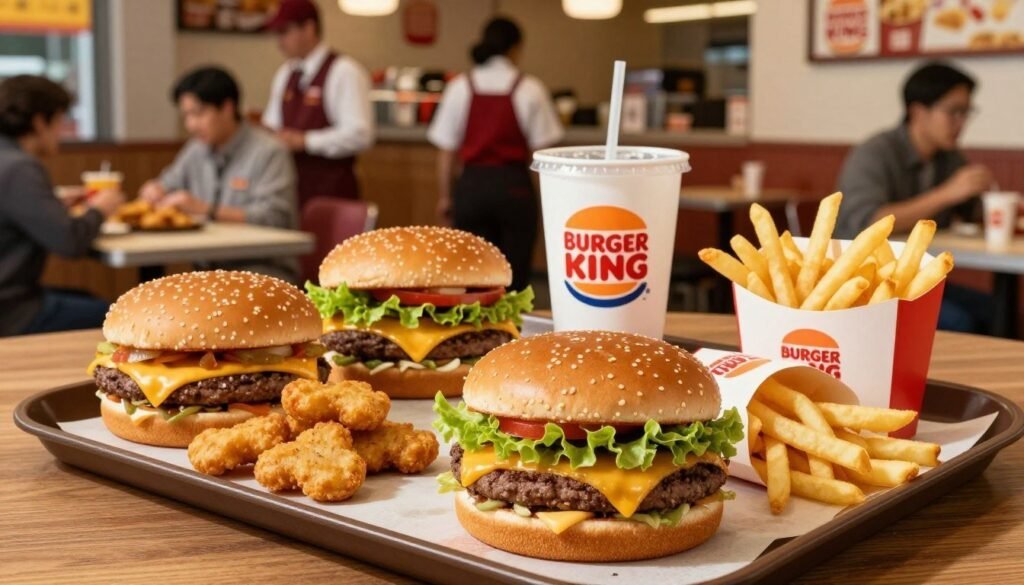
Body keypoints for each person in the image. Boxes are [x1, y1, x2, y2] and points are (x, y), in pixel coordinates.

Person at [835, 61, 993, 333]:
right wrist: (947, 193)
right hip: (863, 281)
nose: (961, 123)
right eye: (954, 112)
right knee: (960, 321)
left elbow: (971, 215)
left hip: (917, 278)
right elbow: (869, 221)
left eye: (966, 112)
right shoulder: (874, 153)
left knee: (996, 310)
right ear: (918, 111)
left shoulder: (950, 158)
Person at [428, 17, 564, 292]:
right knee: (515, 275)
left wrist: (445, 196)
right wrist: (549, 203)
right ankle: (515, 320)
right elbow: (543, 155)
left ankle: (472, 319)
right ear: (516, 48)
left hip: (471, 188)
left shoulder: (459, 86)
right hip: (514, 189)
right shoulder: (530, 88)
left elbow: (446, 151)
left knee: (471, 274)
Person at [139, 66, 299, 283]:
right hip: (209, 271)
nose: (191, 125)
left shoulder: (269, 151)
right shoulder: (196, 149)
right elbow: (167, 183)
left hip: (262, 270)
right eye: (186, 116)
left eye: (199, 113)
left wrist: (205, 209)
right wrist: (155, 190)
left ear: (227, 108)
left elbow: (275, 218)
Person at [0, 75, 124, 336]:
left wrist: (53, 203)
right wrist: (101, 209)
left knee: (90, 300)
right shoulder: (20, 168)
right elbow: (70, 241)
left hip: (10, 300)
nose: (62, 132)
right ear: (39, 122)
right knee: (117, 316)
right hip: (11, 312)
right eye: (59, 121)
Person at [262, 0, 374, 207]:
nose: (279, 41)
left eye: (284, 32)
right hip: (291, 189)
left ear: (309, 28)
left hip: (332, 191)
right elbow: (272, 124)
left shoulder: (344, 71)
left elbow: (359, 135)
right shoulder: (285, 74)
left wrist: (306, 141)